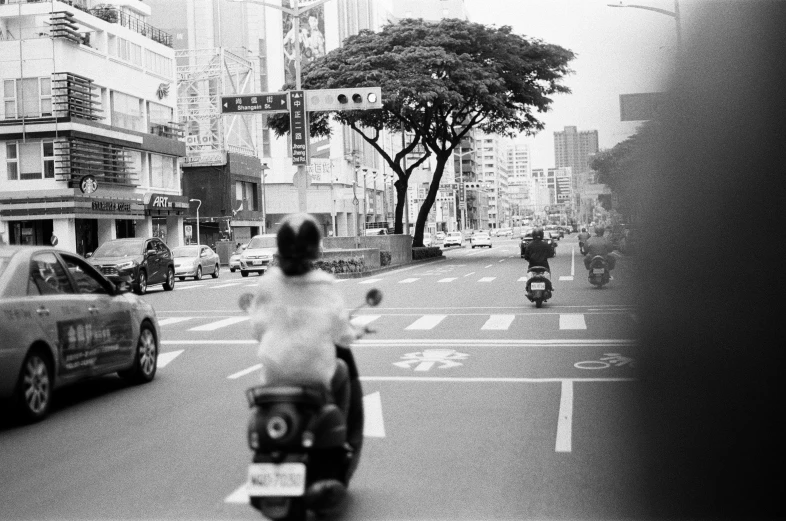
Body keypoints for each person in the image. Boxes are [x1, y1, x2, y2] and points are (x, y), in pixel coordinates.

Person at [246, 213, 364, 494]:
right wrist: (352, 333)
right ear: (315, 249)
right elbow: (341, 333)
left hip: (273, 378)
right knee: (343, 372)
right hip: (314, 378)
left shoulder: (267, 283)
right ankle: (341, 443)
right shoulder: (324, 284)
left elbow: (257, 328)